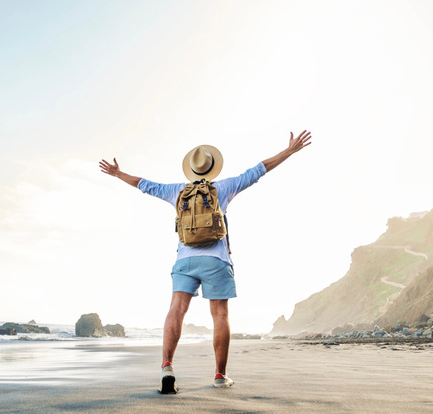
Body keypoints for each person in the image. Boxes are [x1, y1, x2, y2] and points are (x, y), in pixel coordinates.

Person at [99, 130, 313, 394]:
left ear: (191, 169)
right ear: (212, 168)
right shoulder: (222, 188)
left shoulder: (176, 191)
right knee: (220, 315)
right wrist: (289, 151)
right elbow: (259, 169)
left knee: (176, 311)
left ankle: (167, 365)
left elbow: (144, 184)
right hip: (216, 260)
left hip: (185, 260)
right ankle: (220, 375)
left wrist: (118, 173)